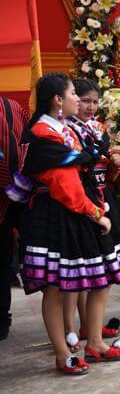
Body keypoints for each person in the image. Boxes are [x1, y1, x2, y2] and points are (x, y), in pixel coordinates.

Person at [17, 73, 120, 374]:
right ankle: (61, 351)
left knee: (99, 278)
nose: (78, 101)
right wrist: (96, 214)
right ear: (58, 100)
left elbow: (87, 168)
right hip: (59, 214)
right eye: (73, 94)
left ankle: (94, 341)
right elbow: (64, 184)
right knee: (55, 287)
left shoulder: (69, 128)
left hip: (81, 209)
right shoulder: (43, 133)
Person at [63, 78, 120, 349]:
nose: (90, 107)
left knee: (98, 270)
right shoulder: (64, 130)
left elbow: (108, 174)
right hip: (82, 202)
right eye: (85, 101)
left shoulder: (99, 128)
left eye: (95, 102)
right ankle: (70, 331)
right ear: (72, 100)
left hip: (103, 197)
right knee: (76, 274)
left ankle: (91, 326)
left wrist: (115, 164)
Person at [0, 98, 28, 341]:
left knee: (2, 260)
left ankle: (1, 319)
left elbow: (27, 145)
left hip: (11, 200)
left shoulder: (12, 108)